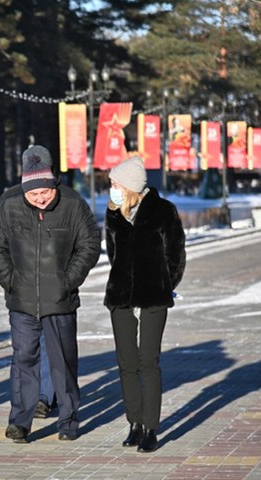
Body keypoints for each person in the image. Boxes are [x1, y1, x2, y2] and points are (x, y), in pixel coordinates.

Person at [0, 145, 100, 443]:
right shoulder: (10, 204)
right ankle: (19, 422)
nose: (40, 198)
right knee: (23, 359)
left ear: (54, 184)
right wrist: (10, 281)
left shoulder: (73, 205)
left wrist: (68, 281)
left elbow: (90, 245)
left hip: (60, 301)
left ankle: (68, 420)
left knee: (63, 363)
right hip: (21, 300)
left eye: (45, 192)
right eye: (33, 193)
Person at [104, 156, 186, 453]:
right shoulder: (113, 214)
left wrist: (163, 284)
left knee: (148, 361)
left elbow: (176, 256)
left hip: (153, 296)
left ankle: (151, 428)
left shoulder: (163, 211)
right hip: (121, 296)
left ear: (129, 186)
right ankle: (135, 423)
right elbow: (112, 254)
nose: (111, 189)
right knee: (126, 363)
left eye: (115, 184)